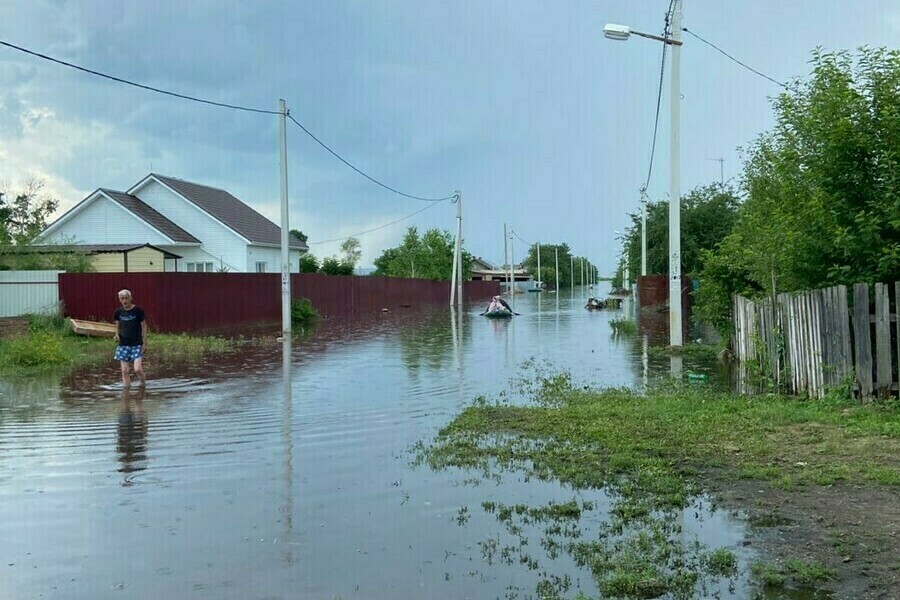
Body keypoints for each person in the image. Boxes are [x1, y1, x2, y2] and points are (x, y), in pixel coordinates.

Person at [114, 289, 147, 387]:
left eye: (126, 298)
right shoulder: (118, 312)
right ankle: (126, 393)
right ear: (119, 300)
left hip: (136, 344)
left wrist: (144, 344)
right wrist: (116, 335)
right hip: (123, 344)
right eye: (122, 298)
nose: (124, 301)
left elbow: (144, 327)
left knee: (137, 369)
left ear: (131, 298)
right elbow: (117, 327)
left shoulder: (138, 310)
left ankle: (143, 385)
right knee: (125, 371)